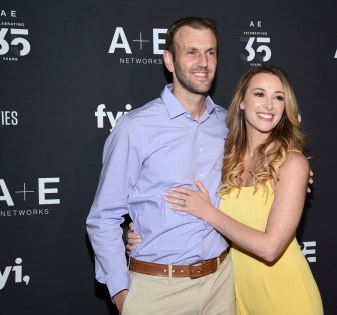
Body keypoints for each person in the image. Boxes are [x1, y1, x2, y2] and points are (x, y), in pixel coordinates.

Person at [128, 65, 324, 314]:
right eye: (259, 94)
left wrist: (208, 212)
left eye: (278, 97)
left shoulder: (292, 163)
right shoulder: (226, 156)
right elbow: (167, 187)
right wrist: (141, 227)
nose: (269, 105)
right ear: (242, 101)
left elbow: (270, 248)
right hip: (236, 293)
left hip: (285, 294)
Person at [86, 17, 236, 315]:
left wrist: (293, 173)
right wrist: (121, 292)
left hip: (221, 284)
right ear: (169, 60)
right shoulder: (136, 127)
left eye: (211, 52)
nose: (203, 62)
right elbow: (103, 218)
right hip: (158, 291)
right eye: (191, 52)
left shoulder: (227, 123)